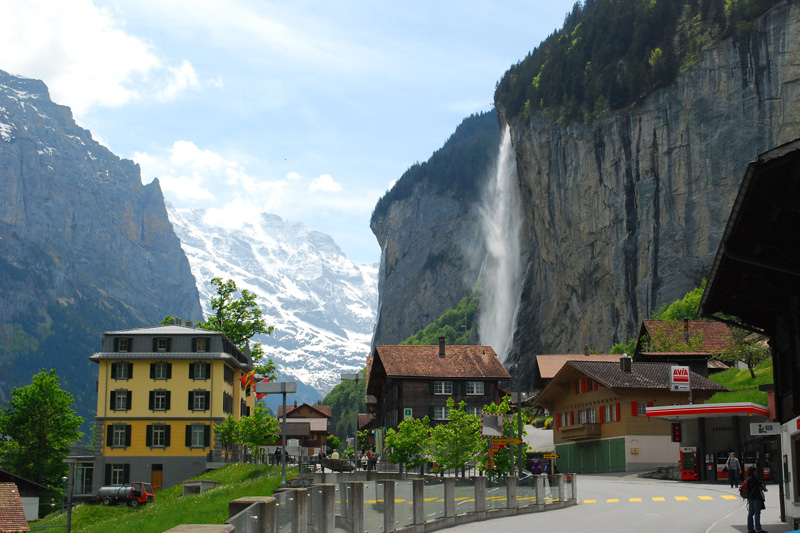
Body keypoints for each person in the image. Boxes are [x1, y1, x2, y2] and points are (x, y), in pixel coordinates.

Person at [743, 466, 766, 533]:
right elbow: (760, 485)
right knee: (757, 513)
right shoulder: (754, 479)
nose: (756, 473)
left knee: (750, 514)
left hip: (750, 498)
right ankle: (758, 529)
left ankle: (750, 529)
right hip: (756, 498)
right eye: (755, 471)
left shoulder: (747, 479)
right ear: (753, 472)